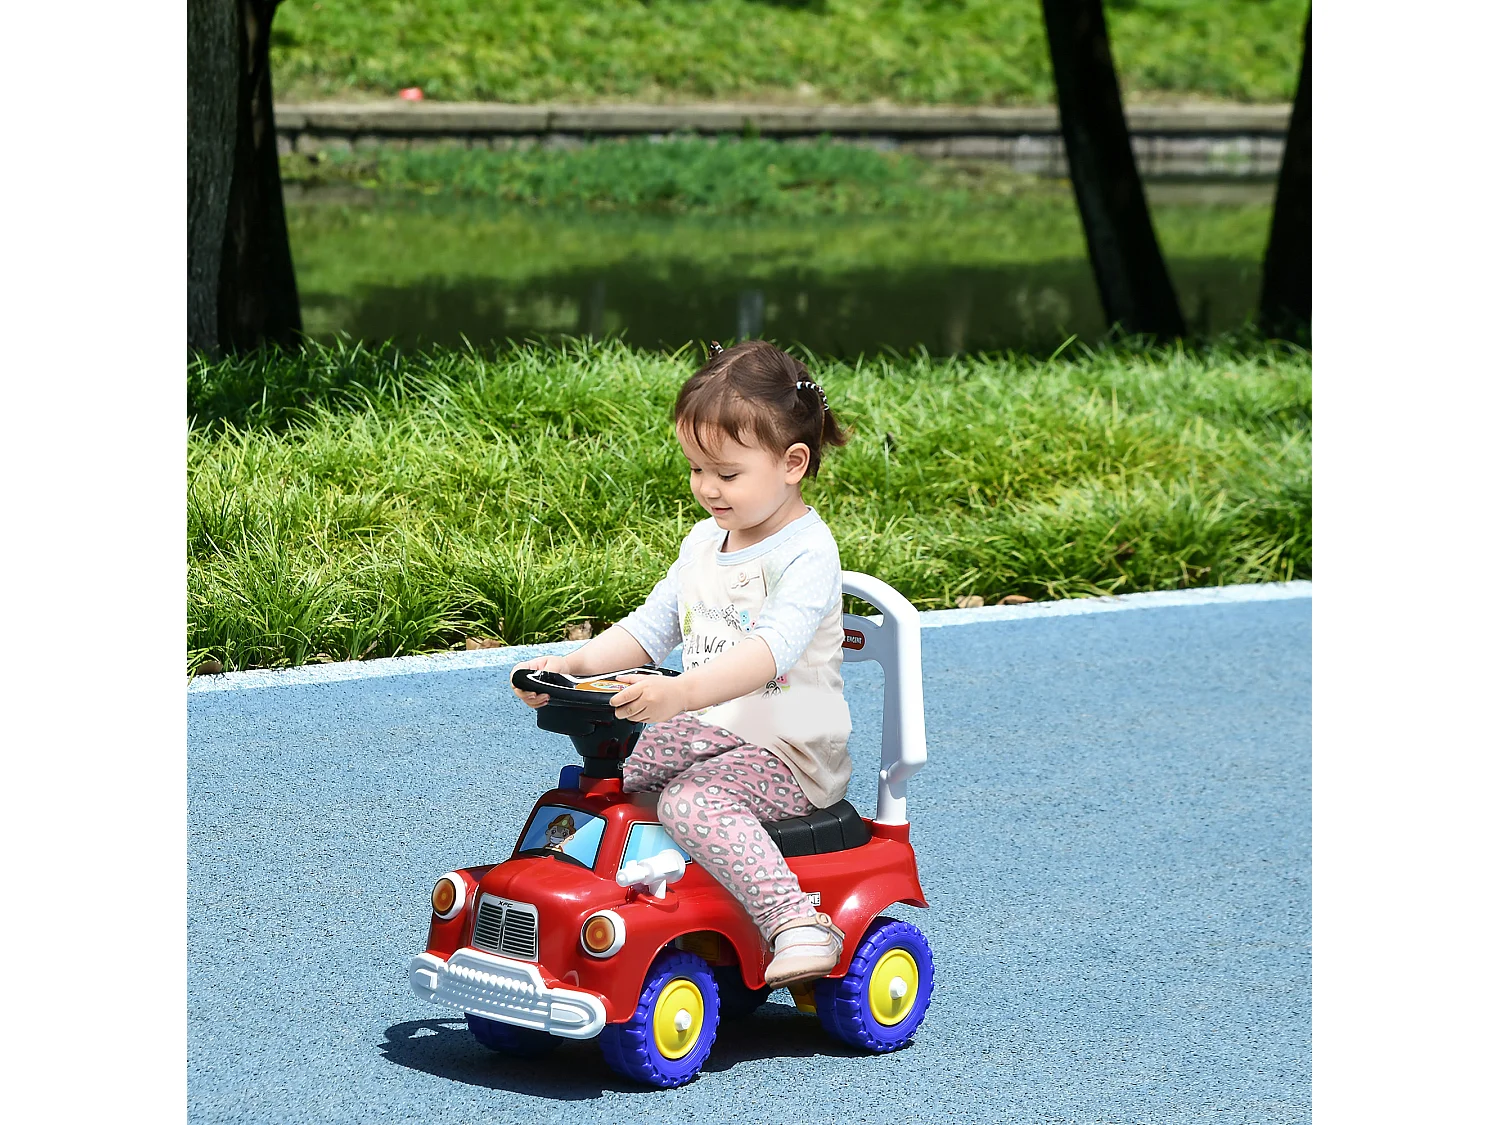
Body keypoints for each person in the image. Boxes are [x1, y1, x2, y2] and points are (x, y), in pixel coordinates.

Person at [512, 339, 853, 987]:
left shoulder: (807, 553)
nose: (706, 488)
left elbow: (765, 655)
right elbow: (648, 629)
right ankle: (628, 907)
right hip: (711, 728)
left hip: (789, 750)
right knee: (615, 774)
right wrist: (569, 666)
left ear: (792, 463)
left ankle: (795, 920)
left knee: (692, 799)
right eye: (696, 469)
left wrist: (680, 694)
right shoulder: (704, 541)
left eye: (726, 473)